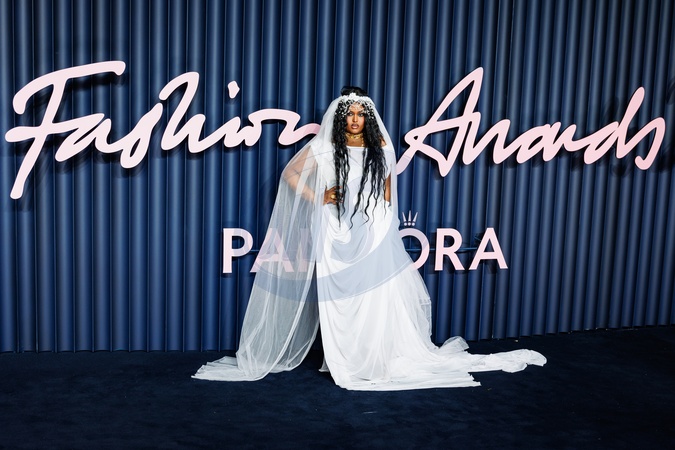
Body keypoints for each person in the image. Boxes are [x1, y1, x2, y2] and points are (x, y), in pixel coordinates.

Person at [193, 87, 546, 390]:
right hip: (335, 230)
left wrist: (383, 225)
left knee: (375, 294)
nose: (355, 119)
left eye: (361, 114)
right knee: (340, 297)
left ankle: (372, 358)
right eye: (350, 114)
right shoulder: (326, 147)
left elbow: (388, 191)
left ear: (368, 117)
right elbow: (291, 174)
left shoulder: (381, 147)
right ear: (340, 116)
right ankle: (343, 358)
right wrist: (319, 197)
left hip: (373, 227)